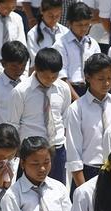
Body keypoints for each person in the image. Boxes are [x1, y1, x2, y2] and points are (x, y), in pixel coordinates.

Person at [9, 48, 71, 184]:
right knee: (27, 192)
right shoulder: (21, 91)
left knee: (56, 192)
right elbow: (13, 124)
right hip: (31, 151)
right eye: (46, 76)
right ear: (36, 69)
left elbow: (65, 118)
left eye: (54, 76)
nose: (50, 80)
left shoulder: (63, 88)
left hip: (56, 149)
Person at [66, 53, 111, 194]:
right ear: (88, 77)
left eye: (110, 78)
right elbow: (74, 153)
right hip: (89, 171)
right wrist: (83, 188)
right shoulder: (77, 109)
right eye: (101, 79)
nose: (107, 83)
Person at [52, 1, 100, 99]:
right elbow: (61, 77)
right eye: (79, 25)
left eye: (87, 24)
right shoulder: (61, 44)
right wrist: (78, 100)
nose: (83, 28)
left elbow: (98, 71)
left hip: (90, 90)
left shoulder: (93, 43)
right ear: (69, 23)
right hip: (68, 91)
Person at [26, 0, 68, 72]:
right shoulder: (32, 34)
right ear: (42, 11)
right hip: (43, 74)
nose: (54, 19)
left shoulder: (65, 32)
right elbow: (37, 60)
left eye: (57, 16)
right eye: (50, 16)